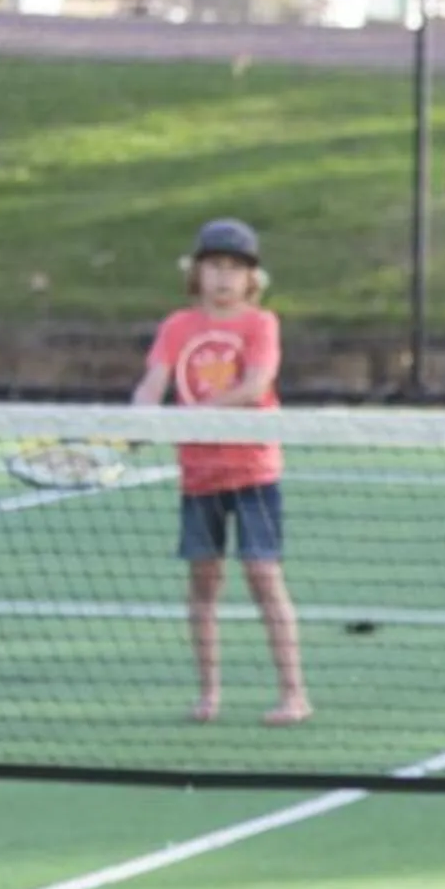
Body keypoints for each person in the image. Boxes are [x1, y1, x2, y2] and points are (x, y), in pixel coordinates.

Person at [134, 217, 309, 727]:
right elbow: (153, 383)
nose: (224, 277)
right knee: (203, 583)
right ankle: (209, 694)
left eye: (235, 267)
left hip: (254, 472)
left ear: (252, 278)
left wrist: (194, 415)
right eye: (214, 266)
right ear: (197, 273)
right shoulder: (177, 326)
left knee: (263, 576)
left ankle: (294, 694)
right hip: (199, 477)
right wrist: (137, 419)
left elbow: (255, 385)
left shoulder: (261, 324)